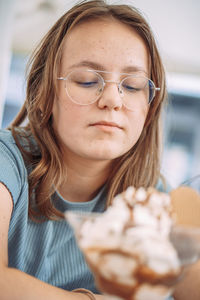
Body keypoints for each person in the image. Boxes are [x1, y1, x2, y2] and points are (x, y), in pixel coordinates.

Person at [1, 0, 196, 299]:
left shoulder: (151, 202)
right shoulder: (6, 161)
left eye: (131, 86)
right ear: (45, 94)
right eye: (87, 80)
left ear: (149, 108)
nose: (112, 99)